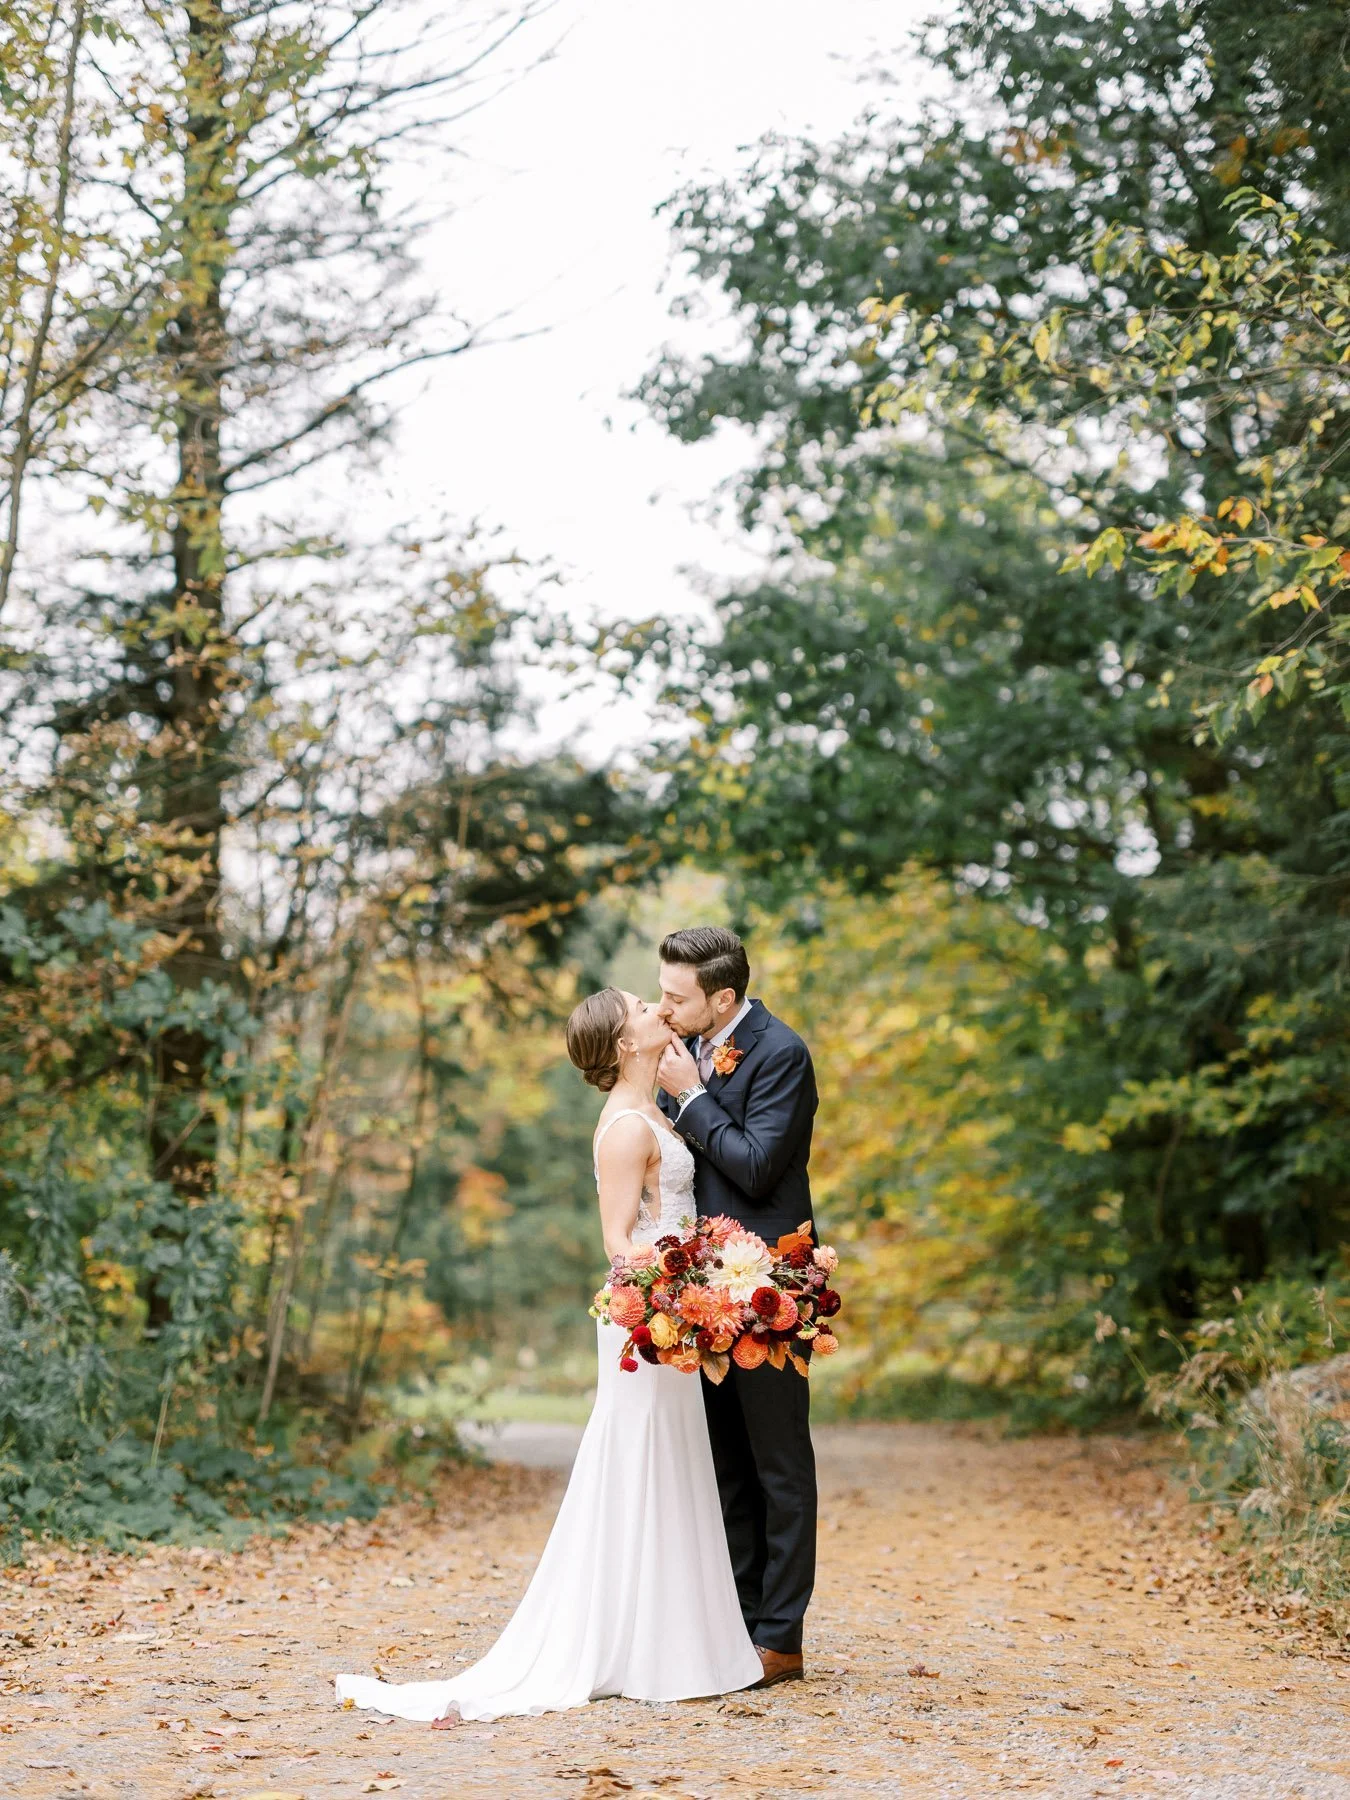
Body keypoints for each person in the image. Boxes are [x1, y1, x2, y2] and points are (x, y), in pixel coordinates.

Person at [334, 987, 761, 1725]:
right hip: (646, 1313)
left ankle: (674, 1644)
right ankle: (638, 1648)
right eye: (638, 1005)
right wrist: (684, 1287)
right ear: (624, 1043)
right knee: (639, 1457)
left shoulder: (654, 1106)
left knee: (673, 1458)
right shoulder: (626, 1127)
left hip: (672, 1310)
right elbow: (618, 1241)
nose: (652, 1005)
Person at [654, 926, 819, 1689]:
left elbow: (754, 1165)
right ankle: (737, 1626)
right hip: (698, 1295)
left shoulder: (782, 1054)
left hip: (768, 1291)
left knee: (778, 1464)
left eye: (675, 996)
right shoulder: (683, 1054)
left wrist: (689, 1095)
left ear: (723, 998)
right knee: (725, 1466)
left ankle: (780, 1639)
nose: (664, 1006)